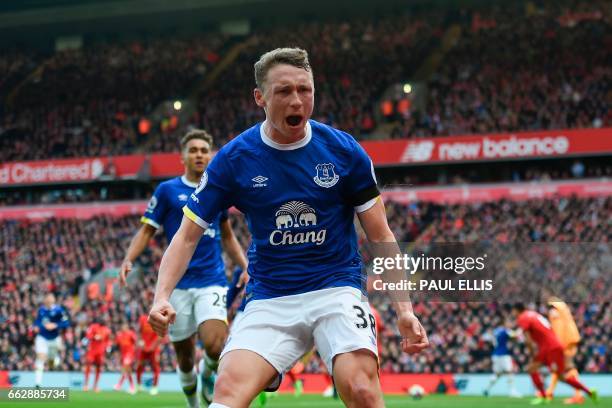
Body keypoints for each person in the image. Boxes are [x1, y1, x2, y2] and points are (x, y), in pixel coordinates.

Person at [148, 47, 428, 408]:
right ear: (259, 97)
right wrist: (161, 296)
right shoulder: (233, 160)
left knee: (361, 391)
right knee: (227, 393)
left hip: (336, 290)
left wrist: (404, 310)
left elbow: (381, 235)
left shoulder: (344, 152)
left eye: (305, 90)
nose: (297, 100)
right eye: (284, 91)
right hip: (270, 296)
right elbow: (187, 236)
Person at [120, 130, 248, 406]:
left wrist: (245, 265)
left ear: (211, 154)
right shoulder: (167, 190)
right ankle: (193, 403)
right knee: (185, 358)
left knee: (215, 345)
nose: (199, 154)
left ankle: (208, 374)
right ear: (183, 157)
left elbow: (227, 236)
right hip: (176, 285)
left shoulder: (218, 188)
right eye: (194, 150)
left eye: (204, 149)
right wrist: (129, 257)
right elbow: (146, 231)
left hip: (211, 280)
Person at [512, 303, 597, 405]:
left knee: (559, 376)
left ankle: (544, 396)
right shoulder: (533, 314)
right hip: (550, 346)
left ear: (516, 310)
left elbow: (528, 340)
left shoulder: (522, 317)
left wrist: (532, 354)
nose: (513, 314)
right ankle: (589, 392)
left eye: (513, 311)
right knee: (554, 375)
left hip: (550, 348)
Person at [546, 297, 583, 404]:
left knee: (568, 367)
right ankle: (549, 393)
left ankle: (578, 395)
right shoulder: (562, 313)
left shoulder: (557, 312)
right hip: (568, 340)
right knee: (559, 368)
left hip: (566, 341)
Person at [33, 293, 70, 387]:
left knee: (52, 363)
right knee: (40, 357)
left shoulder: (59, 310)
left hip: (54, 338)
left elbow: (66, 323)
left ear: (53, 300)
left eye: (51, 298)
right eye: (47, 298)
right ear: (45, 300)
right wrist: (35, 326)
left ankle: (55, 360)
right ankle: (38, 383)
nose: (49, 300)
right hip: (42, 337)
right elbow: (37, 321)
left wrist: (56, 325)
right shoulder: (41, 310)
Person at [483, 319, 520, 397]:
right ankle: (512, 391)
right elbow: (515, 334)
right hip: (503, 354)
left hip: (495, 355)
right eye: (509, 322)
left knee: (497, 374)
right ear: (504, 323)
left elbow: (491, 340)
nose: (510, 324)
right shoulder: (506, 330)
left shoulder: (496, 331)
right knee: (510, 371)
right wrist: (521, 329)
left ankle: (486, 389)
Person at [135, 314, 162, 395]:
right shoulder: (143, 318)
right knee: (139, 365)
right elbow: (139, 331)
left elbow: (160, 335)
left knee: (155, 367)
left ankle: (155, 387)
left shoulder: (159, 319)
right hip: (143, 347)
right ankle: (139, 386)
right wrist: (139, 341)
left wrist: (153, 346)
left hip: (154, 348)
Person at [83, 317, 112, 392]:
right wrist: (94, 337)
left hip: (101, 352)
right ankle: (86, 385)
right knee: (88, 365)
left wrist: (108, 347)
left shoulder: (107, 330)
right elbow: (87, 335)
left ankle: (95, 386)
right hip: (92, 350)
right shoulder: (93, 326)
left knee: (99, 368)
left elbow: (108, 340)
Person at [114, 322, 137, 394]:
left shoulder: (131, 333)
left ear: (127, 327)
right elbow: (117, 345)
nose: (124, 328)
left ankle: (119, 385)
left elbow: (135, 342)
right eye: (123, 326)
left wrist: (135, 353)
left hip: (130, 354)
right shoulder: (119, 335)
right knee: (128, 371)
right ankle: (132, 387)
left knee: (125, 368)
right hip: (123, 355)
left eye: (125, 326)